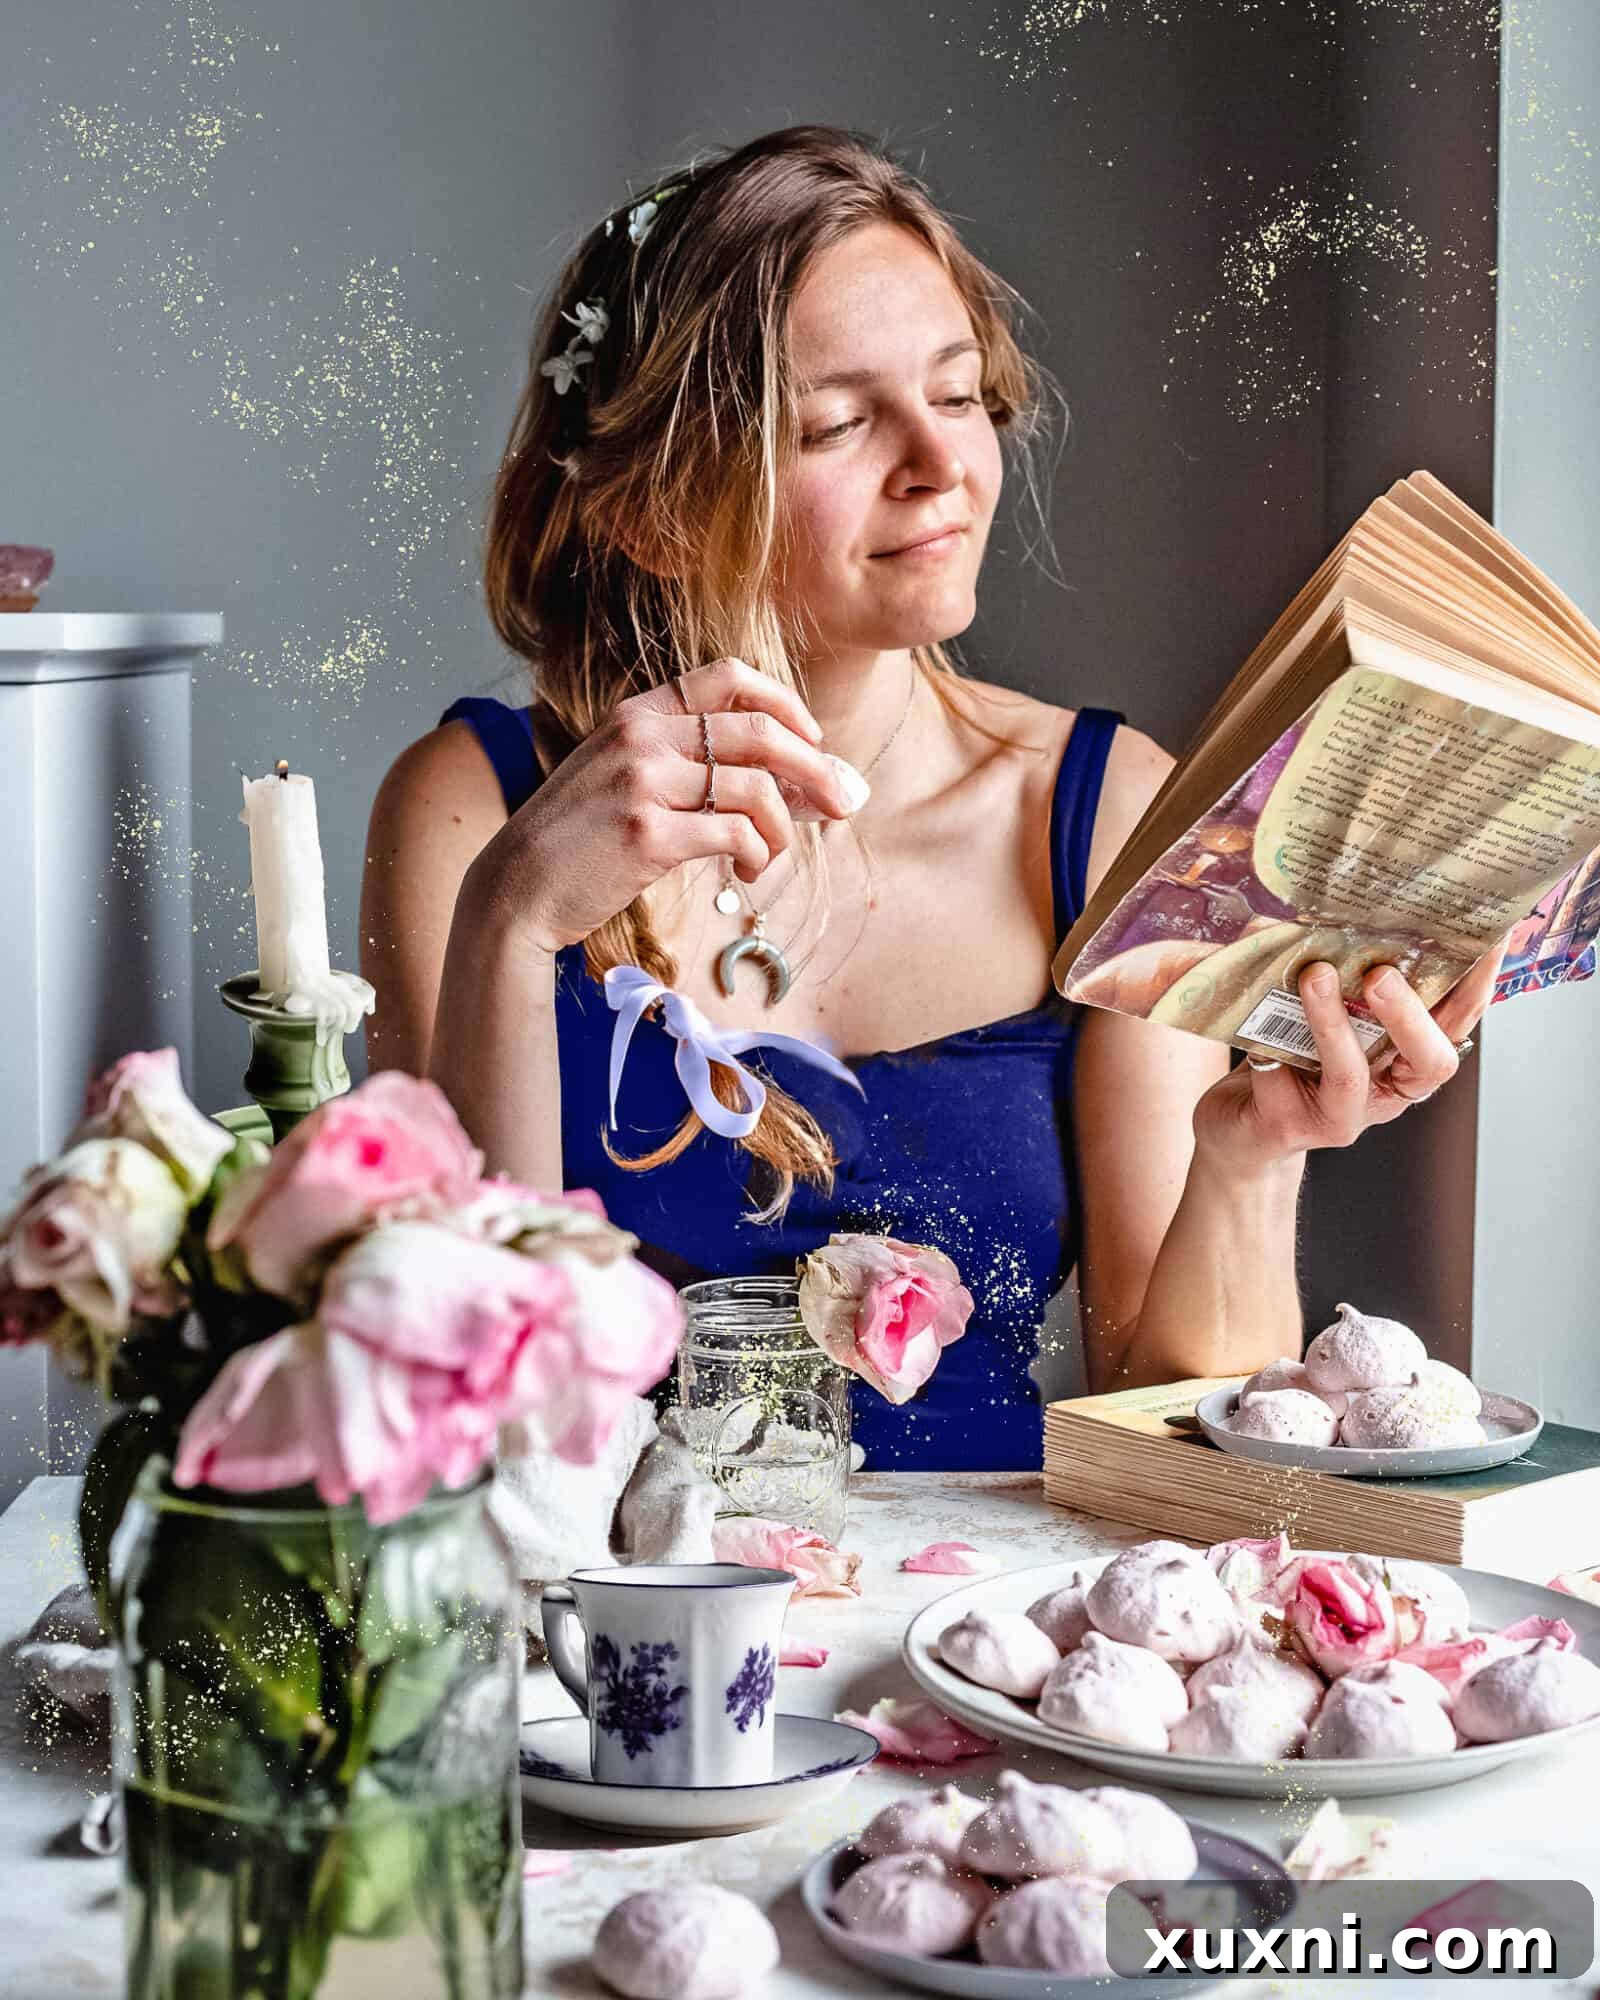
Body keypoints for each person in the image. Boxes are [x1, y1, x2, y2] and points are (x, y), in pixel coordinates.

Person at [361, 125, 1496, 1471]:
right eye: (838, 422)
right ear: (652, 512)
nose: (937, 462)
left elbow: (1175, 1431)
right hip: (601, 1640)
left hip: (970, 1639)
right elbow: (450, 1421)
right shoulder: (474, 812)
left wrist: (1252, 1153)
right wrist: (509, 922)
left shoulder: (1099, 813)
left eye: (957, 396)